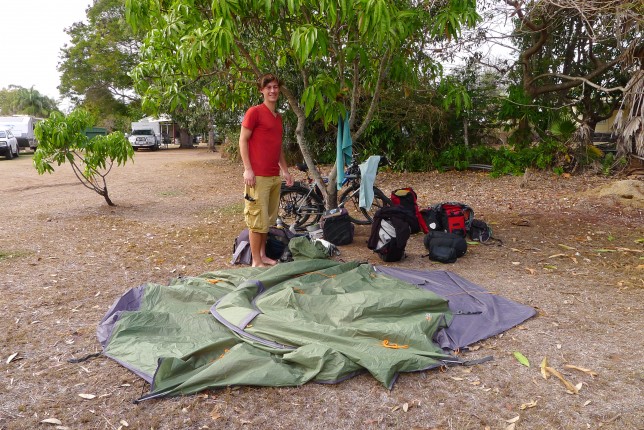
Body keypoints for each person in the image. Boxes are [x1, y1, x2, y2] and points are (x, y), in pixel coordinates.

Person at [239, 73, 294, 267]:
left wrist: (285, 171)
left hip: (273, 176)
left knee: (267, 221)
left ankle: (262, 255)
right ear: (262, 90)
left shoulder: (278, 118)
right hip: (257, 176)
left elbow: (277, 148)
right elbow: (243, 140)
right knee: (256, 220)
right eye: (268, 87)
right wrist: (248, 169)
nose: (272, 90)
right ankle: (256, 261)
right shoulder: (254, 112)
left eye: (275, 87)